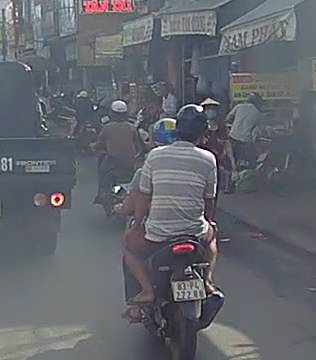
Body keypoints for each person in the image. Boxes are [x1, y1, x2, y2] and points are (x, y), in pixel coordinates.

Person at [123, 105, 219, 306]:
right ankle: (208, 281)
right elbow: (209, 199)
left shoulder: (155, 155)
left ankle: (147, 291)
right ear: (202, 133)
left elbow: (144, 196)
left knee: (129, 249)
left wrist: (137, 224)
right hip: (194, 232)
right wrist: (209, 222)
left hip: (158, 234)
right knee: (212, 237)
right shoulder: (209, 159)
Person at [92, 99, 145, 205]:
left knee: (102, 171)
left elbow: (99, 143)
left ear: (112, 113)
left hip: (113, 162)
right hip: (130, 163)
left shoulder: (107, 127)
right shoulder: (132, 128)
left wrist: (93, 146)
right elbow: (139, 146)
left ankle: (103, 193)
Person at [199, 98, 233, 196]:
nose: (211, 111)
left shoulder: (222, 127)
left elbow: (227, 144)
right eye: (208, 108)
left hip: (220, 158)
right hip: (204, 159)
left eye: (213, 109)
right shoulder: (200, 127)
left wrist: (232, 162)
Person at [224, 92, 264, 175]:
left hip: (232, 137)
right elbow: (257, 132)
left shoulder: (239, 106)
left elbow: (227, 119)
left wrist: (232, 124)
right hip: (245, 141)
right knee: (247, 165)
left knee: (230, 161)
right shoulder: (258, 113)